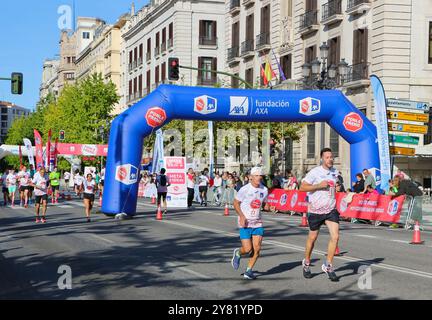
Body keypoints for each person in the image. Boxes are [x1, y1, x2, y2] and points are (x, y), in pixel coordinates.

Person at [299, 147, 340, 282]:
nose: (330, 159)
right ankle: (306, 262)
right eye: (327, 157)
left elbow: (334, 187)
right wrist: (319, 186)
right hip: (316, 210)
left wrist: (337, 188)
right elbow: (302, 187)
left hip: (330, 210)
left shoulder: (335, 172)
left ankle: (328, 265)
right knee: (312, 239)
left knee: (335, 237)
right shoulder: (315, 172)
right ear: (322, 159)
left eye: (331, 157)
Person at [231, 167, 268, 280]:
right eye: (256, 175)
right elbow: (236, 203)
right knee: (247, 249)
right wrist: (242, 216)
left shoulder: (264, 190)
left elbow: (265, 204)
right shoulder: (244, 189)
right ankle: (238, 253)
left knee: (257, 249)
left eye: (260, 175)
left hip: (257, 223)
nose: (259, 178)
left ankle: (248, 271)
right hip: (245, 222)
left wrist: (268, 206)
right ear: (250, 177)